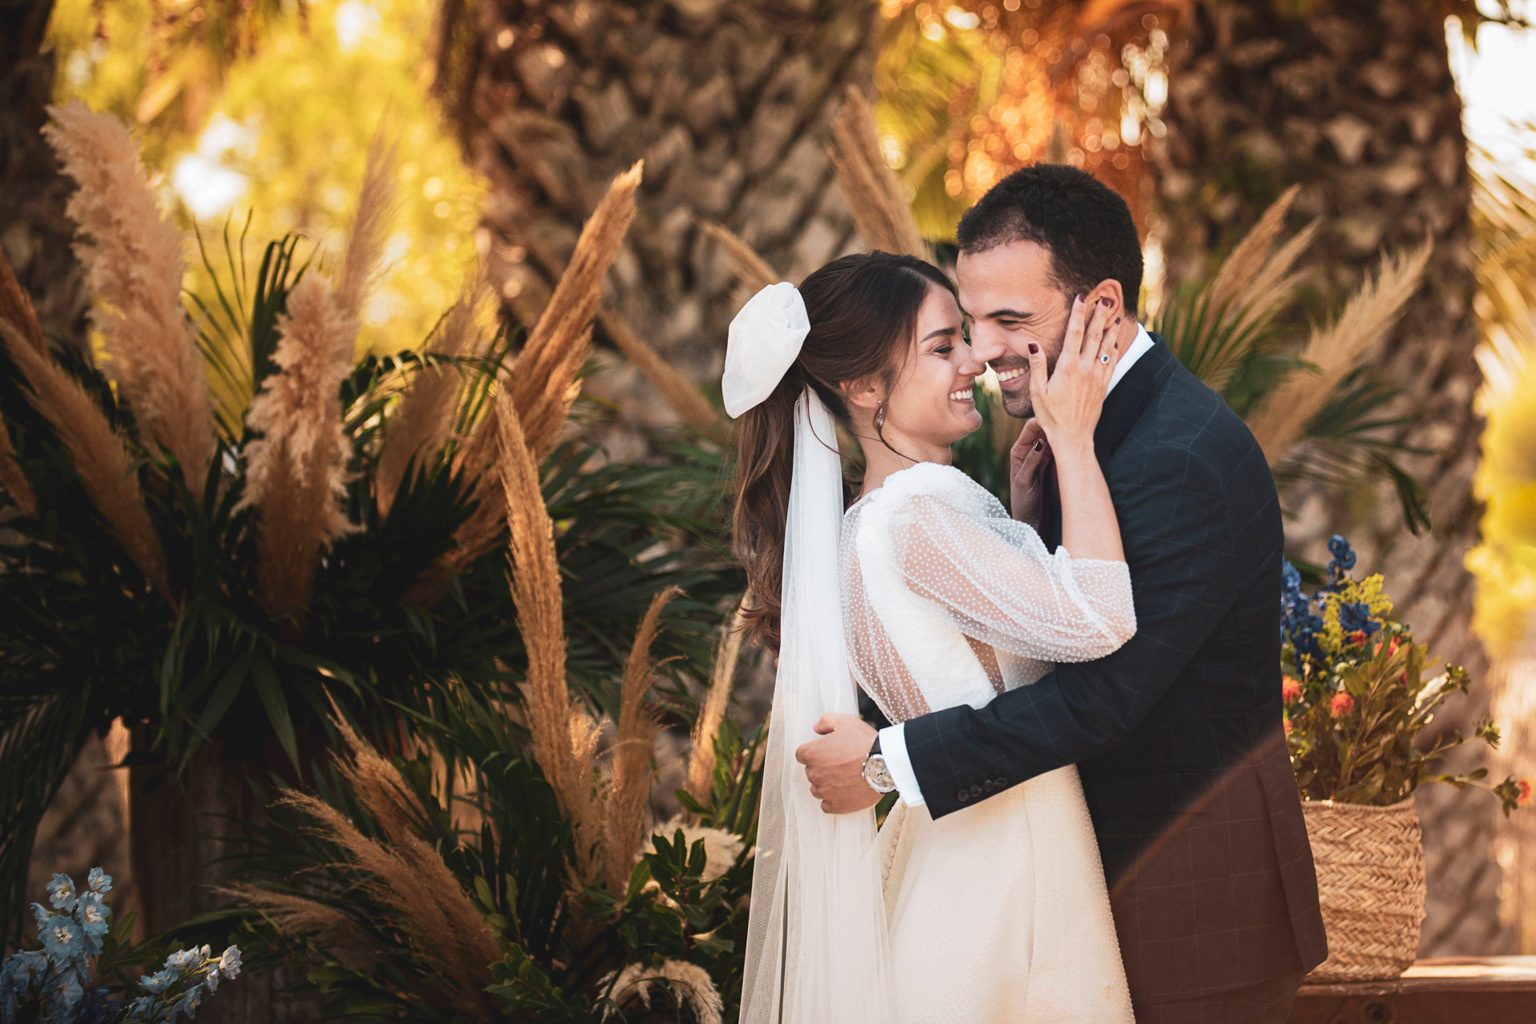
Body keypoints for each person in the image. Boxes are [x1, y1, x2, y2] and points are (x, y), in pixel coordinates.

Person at [798, 164, 1328, 1024]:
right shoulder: (1066, 436)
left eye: (1010, 320)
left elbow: (1103, 694)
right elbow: (1035, 633)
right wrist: (1029, 523)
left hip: (1192, 913)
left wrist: (888, 761)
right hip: (1070, 894)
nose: (982, 351)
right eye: (968, 323)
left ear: (1102, 308)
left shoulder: (1175, 456)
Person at [727, 250, 1136, 1023]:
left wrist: (1020, 524)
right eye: (943, 346)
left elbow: (967, 669)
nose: (974, 361)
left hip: (949, 851)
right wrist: (1076, 441)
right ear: (863, 386)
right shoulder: (917, 512)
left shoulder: (866, 523)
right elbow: (1102, 620)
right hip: (1011, 859)